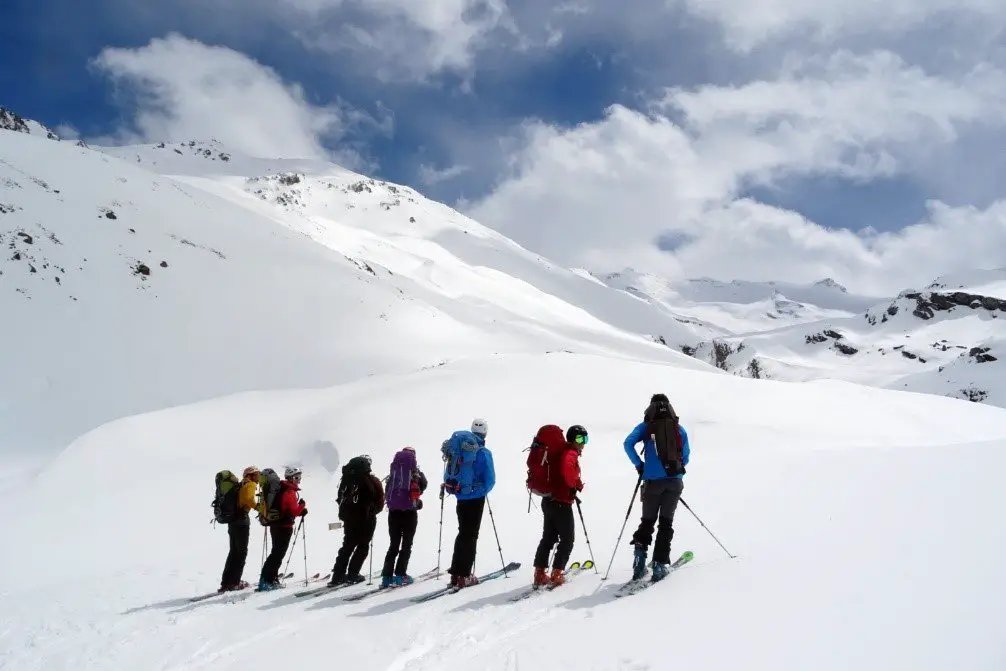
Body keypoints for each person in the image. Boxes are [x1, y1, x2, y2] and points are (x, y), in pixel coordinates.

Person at [623, 394, 690, 581]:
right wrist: (675, 471)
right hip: (674, 481)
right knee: (666, 523)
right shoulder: (678, 428)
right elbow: (686, 456)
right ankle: (660, 565)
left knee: (647, 522)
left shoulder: (646, 426)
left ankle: (639, 560)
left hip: (652, 482)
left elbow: (627, 443)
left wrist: (640, 465)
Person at [441, 418, 496, 588]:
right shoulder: (483, 452)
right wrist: (481, 490)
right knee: (471, 535)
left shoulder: (459, 448)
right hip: (475, 497)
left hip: (460, 495)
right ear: (485, 433)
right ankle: (464, 576)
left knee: (463, 533)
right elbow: (490, 479)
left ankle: (456, 574)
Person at [531, 425, 586, 588]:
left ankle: (539, 573)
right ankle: (556, 573)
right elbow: (566, 470)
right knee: (567, 539)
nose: (583, 443)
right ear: (571, 439)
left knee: (548, 537)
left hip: (548, 500)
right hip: (561, 502)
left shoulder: (559, 452)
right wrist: (575, 484)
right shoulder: (570, 453)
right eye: (580, 439)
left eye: (585, 439)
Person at [329, 455, 384, 586]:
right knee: (363, 546)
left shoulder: (346, 480)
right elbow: (380, 502)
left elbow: (339, 498)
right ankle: (353, 574)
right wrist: (372, 512)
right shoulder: (372, 480)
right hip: (366, 520)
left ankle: (337, 576)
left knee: (347, 546)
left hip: (349, 519)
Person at [380, 447, 428, 587]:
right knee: (406, 545)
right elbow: (423, 486)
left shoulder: (393, 473)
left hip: (393, 513)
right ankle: (401, 575)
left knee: (393, 545)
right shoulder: (416, 474)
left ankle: (386, 577)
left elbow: (387, 491)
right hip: (409, 513)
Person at [257, 466, 307, 591]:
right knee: (277, 554)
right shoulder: (288, 491)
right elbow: (293, 511)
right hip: (283, 527)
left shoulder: (282, 489)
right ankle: (266, 581)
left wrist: (299, 510)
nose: (298, 480)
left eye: (299, 477)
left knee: (276, 553)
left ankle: (270, 579)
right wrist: (302, 506)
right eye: (296, 477)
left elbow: (285, 509)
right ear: (290, 478)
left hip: (276, 525)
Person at [219, 466, 259, 592]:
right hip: (242, 521)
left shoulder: (240, 485)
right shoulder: (250, 484)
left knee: (233, 552)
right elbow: (248, 499)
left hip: (233, 521)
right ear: (250, 475)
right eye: (256, 474)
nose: (258, 477)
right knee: (241, 553)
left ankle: (226, 582)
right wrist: (260, 508)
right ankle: (235, 583)